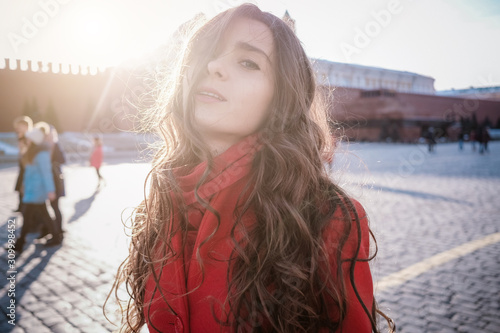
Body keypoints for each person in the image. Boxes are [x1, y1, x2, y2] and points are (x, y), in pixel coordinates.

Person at [108, 4, 394, 333]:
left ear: (281, 97)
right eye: (207, 54)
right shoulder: (158, 206)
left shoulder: (325, 218)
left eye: (248, 62)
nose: (213, 66)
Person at [14, 127, 62, 253]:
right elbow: (28, 173)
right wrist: (23, 185)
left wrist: (50, 190)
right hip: (31, 190)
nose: (27, 140)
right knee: (42, 214)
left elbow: (46, 173)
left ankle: (20, 243)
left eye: (29, 138)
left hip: (37, 191)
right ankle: (56, 236)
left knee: (27, 214)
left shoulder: (41, 154)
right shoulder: (33, 152)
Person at [34, 122, 66, 239]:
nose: (49, 137)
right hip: (45, 180)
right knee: (43, 207)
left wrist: (51, 162)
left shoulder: (56, 146)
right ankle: (47, 229)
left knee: (55, 206)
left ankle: (59, 230)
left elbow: (63, 159)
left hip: (55, 180)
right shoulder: (43, 146)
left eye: (51, 135)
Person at [12, 116, 33, 213]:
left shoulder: (30, 137)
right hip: (23, 166)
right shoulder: (22, 137)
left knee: (24, 187)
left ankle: (25, 209)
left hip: (28, 167)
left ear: (26, 126)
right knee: (20, 186)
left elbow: (26, 153)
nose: (18, 129)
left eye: (20, 126)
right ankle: (21, 207)